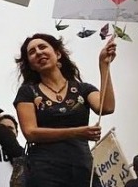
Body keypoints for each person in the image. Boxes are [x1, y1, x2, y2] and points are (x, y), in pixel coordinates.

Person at [14, 33, 116, 187]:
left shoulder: (83, 89)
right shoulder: (27, 92)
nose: (38, 52)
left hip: (82, 169)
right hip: (45, 172)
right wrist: (76, 132)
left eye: (42, 47)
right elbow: (30, 132)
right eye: (32, 52)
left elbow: (106, 107)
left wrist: (104, 65)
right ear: (31, 64)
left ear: (57, 54)